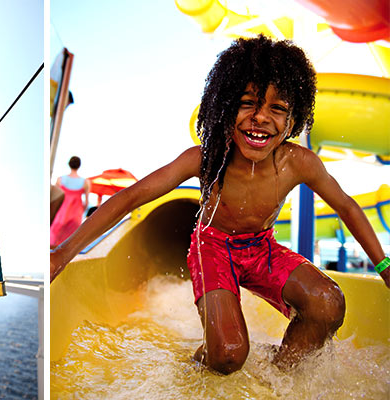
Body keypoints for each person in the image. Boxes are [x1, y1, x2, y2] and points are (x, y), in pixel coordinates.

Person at [51, 36, 390, 374]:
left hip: (261, 248)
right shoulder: (207, 158)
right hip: (212, 246)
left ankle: (279, 377)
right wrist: (63, 253)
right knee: (228, 355)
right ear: (226, 106)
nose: (259, 118)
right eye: (248, 103)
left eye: (277, 108)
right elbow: (131, 197)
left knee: (328, 303)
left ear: (293, 118)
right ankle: (204, 357)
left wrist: (384, 265)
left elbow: (346, 207)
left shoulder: (299, 163)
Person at [50, 156, 91, 246]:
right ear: (79, 166)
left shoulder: (60, 179)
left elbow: (55, 196)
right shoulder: (86, 182)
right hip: (76, 211)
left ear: (69, 164)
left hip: (61, 210)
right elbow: (86, 203)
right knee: (70, 238)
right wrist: (82, 210)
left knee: (55, 234)